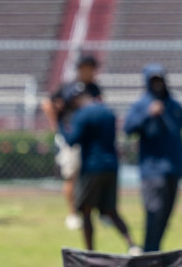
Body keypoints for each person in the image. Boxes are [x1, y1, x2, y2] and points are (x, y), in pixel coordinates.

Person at [60, 83, 140, 254]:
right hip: (111, 166)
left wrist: (59, 122)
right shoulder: (107, 111)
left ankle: (90, 253)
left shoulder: (82, 114)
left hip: (92, 167)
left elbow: (71, 140)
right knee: (111, 210)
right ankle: (132, 245)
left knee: (86, 211)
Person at [124, 64, 182, 252]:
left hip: (173, 167)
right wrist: (148, 114)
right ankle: (149, 253)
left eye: (160, 79)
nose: (157, 84)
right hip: (152, 170)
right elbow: (128, 128)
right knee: (154, 213)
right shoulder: (142, 104)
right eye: (153, 80)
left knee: (166, 215)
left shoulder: (172, 104)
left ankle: (155, 252)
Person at [42, 54, 103, 230]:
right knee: (71, 175)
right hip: (72, 139)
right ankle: (73, 213)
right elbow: (48, 104)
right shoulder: (68, 87)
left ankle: (93, 211)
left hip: (90, 140)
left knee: (93, 177)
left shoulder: (95, 89)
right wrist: (56, 125)